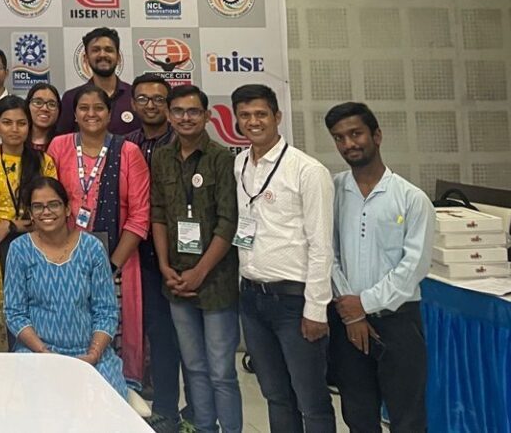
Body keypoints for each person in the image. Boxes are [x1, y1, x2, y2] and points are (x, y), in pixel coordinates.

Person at [233, 83, 335, 433]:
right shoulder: (240, 164)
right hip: (252, 299)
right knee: (275, 396)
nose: (253, 122)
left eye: (261, 114)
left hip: (295, 302)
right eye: (245, 115)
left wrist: (316, 310)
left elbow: (321, 246)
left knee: (311, 401)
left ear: (277, 116)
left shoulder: (307, 170)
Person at [325, 101, 432, 433]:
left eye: (355, 134)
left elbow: (414, 266)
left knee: (407, 417)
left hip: (398, 321)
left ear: (377, 136)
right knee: (358, 415)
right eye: (339, 137)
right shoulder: (333, 191)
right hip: (347, 319)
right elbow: (327, 253)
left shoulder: (411, 198)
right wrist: (352, 313)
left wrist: (365, 304)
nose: (348, 144)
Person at [151, 84, 241, 433]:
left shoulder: (222, 158)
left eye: (193, 111)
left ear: (207, 116)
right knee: (194, 367)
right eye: (178, 111)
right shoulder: (161, 157)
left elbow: (228, 222)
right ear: (168, 115)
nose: (185, 118)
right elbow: (158, 213)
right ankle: (204, 428)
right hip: (175, 279)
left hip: (215, 281)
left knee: (221, 371)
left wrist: (201, 272)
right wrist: (164, 266)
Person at [48, 84, 151, 385]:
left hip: (117, 263)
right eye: (84, 108)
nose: (91, 114)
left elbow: (140, 216)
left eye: (98, 108)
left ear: (109, 113)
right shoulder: (59, 147)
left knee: (113, 335)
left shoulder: (128, 152)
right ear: (74, 115)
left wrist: (110, 267)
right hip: (65, 262)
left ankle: (116, 393)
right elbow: (47, 204)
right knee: (70, 331)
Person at [5, 175, 129, 398]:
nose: (46, 212)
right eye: (38, 207)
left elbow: (106, 311)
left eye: (53, 204)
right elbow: (14, 313)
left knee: (106, 404)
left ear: (67, 208)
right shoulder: (19, 250)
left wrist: (93, 355)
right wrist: (44, 353)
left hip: (90, 355)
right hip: (37, 354)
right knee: (39, 404)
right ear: (30, 214)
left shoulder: (92, 248)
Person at [0, 94, 57, 350]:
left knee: (30, 307)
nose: (14, 129)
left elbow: (50, 213)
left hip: (33, 246)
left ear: (29, 126)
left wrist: (10, 225)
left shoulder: (43, 162)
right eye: (7, 122)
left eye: (21, 123)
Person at [124, 73, 182, 430]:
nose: (150, 105)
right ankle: (147, 401)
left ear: (169, 105)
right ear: (133, 104)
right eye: (143, 99)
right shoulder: (125, 145)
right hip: (135, 251)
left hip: (176, 253)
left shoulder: (182, 142)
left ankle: (174, 409)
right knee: (142, 330)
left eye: (158, 99)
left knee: (173, 336)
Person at [58, 28, 135, 135]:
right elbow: (63, 141)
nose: (102, 54)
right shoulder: (71, 98)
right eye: (95, 50)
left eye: (108, 50)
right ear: (86, 58)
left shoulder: (134, 96)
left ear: (118, 58)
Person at [26, 83, 62, 154]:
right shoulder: (17, 140)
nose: (44, 108)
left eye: (51, 104)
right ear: (27, 106)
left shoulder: (65, 143)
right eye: (38, 102)